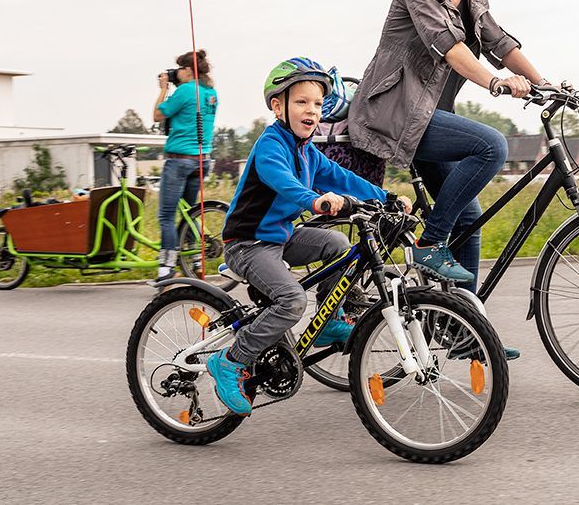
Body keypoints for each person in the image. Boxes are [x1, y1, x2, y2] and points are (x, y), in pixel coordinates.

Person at [348, 0, 552, 359]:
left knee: (469, 216)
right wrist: (497, 83)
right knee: (492, 147)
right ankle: (429, 242)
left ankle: (461, 330)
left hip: (429, 116)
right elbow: (448, 46)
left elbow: (498, 41)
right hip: (395, 111)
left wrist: (546, 84)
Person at [207, 58, 415, 416]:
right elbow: (282, 183)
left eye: (317, 104)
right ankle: (230, 360)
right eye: (301, 102)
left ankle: (329, 320)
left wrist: (388, 198)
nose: (311, 111)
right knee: (290, 301)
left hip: (281, 237)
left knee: (337, 246)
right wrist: (315, 200)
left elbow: (342, 178)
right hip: (249, 243)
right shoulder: (272, 145)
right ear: (278, 106)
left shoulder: (308, 151)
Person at [151, 50, 218, 284]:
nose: (176, 73)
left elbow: (158, 115)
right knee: (191, 213)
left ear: (189, 70)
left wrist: (162, 89)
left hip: (179, 160)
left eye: (179, 69)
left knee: (166, 216)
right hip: (202, 159)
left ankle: (166, 268)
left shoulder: (186, 90)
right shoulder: (211, 93)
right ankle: (196, 260)